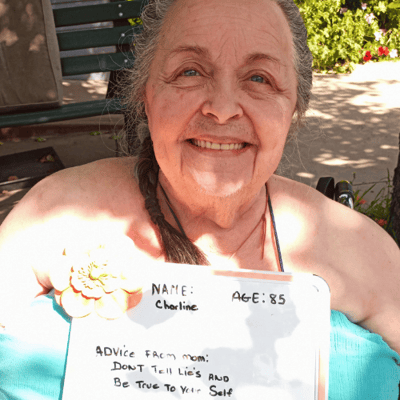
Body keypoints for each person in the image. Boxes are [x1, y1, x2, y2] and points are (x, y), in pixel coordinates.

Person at [1, 0, 400, 398]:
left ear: (293, 105)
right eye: (189, 71)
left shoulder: (360, 254)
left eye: (259, 78)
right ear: (146, 93)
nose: (223, 109)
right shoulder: (54, 215)